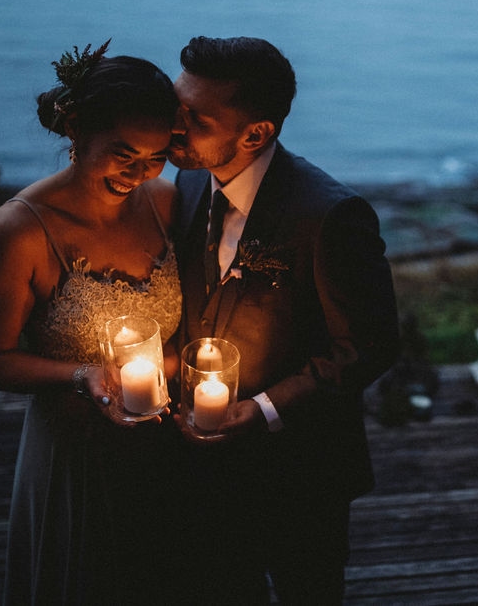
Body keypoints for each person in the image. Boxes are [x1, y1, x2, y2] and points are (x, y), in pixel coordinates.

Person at [168, 36, 400, 604]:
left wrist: (265, 409)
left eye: (195, 118)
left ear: (256, 133)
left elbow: (367, 346)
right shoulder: (192, 178)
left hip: (303, 469)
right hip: (202, 467)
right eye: (177, 107)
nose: (174, 127)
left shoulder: (330, 215)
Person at [0, 41, 182, 604]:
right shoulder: (16, 231)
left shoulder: (167, 203)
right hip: (77, 458)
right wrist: (81, 375)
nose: (140, 173)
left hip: (167, 455)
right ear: (76, 128)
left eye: (156, 157)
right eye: (123, 153)